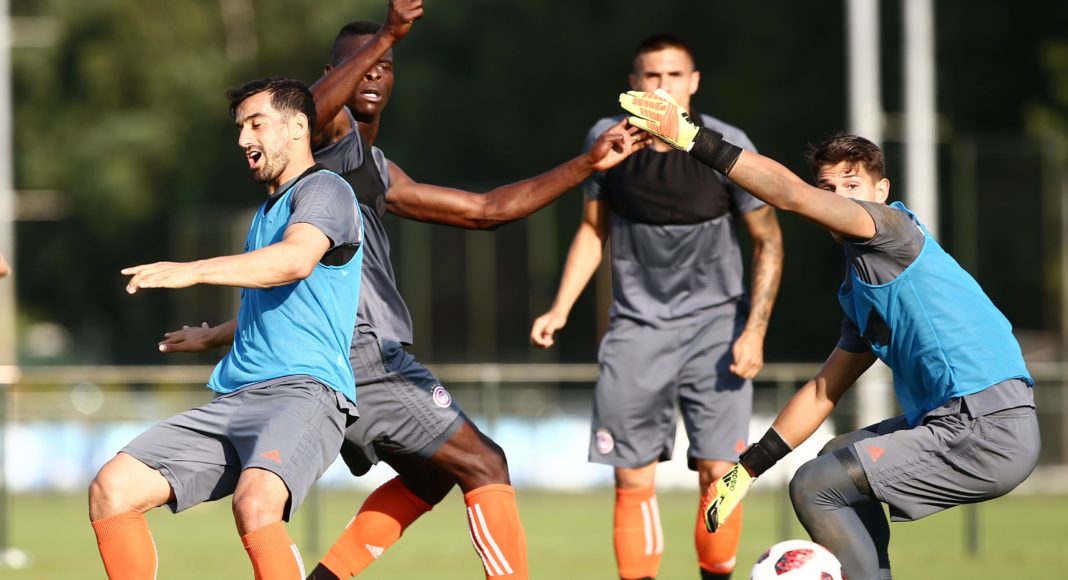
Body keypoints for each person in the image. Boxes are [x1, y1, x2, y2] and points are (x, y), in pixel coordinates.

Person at [157, 3, 647, 579]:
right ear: (333, 74)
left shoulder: (375, 170)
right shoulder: (318, 145)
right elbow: (307, 111)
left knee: (430, 476)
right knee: (486, 464)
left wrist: (587, 164)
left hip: (335, 356)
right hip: (360, 355)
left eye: (385, 65)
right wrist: (388, 33)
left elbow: (486, 210)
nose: (374, 72)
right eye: (361, 62)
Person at [621, 89, 1040, 580]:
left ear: (881, 191)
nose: (839, 197)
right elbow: (824, 390)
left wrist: (694, 139)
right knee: (833, 457)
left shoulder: (892, 228)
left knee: (815, 485)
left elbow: (792, 196)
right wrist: (747, 468)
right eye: (829, 187)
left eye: (852, 184)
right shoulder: (861, 289)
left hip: (986, 427)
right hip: (960, 421)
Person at [89, 77, 365, 580]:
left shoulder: (325, 190)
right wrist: (214, 335)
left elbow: (295, 261)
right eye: (240, 127)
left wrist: (193, 269)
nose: (243, 139)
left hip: (304, 393)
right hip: (236, 399)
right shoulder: (266, 213)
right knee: (113, 489)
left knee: (256, 504)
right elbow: (286, 307)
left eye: (256, 124)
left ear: (298, 126)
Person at [530, 34, 783, 580]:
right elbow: (593, 232)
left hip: (718, 330)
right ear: (633, 85)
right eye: (651, 76)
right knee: (631, 477)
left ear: (693, 83)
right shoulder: (608, 140)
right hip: (636, 328)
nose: (662, 86)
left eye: (673, 76)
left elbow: (769, 240)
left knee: (722, 473)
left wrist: (755, 330)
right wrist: (560, 308)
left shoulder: (727, 144)